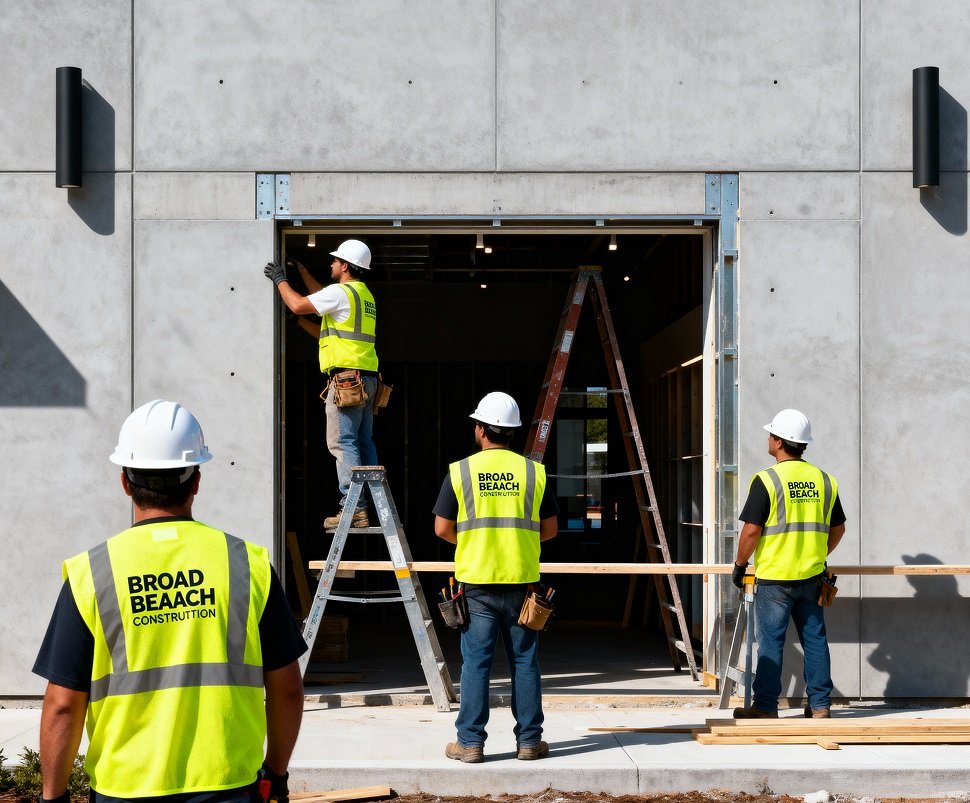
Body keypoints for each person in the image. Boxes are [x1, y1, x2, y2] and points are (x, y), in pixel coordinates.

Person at [34, 400, 307, 803]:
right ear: (196, 480)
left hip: (124, 790)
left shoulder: (92, 572)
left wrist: (51, 798)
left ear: (125, 481)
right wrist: (276, 775)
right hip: (228, 786)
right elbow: (286, 690)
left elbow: (62, 705)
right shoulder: (248, 565)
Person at [433, 392, 559, 763]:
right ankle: (529, 743)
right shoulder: (533, 471)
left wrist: (475, 542)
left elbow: (441, 528)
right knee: (525, 662)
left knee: (476, 663)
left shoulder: (462, 471)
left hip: (477, 584)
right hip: (522, 583)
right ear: (512, 432)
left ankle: (470, 743)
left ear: (480, 429)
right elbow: (549, 530)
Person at [731, 408, 846, 720]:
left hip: (775, 580)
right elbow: (838, 529)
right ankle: (820, 706)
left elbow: (751, 531)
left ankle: (766, 707)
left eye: (771, 435)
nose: (768, 439)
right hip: (812, 576)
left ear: (780, 442)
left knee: (770, 643)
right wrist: (818, 554)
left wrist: (740, 565)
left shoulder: (767, 480)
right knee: (816, 641)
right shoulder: (824, 480)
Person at [264, 239, 379, 528]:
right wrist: (302, 271)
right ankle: (370, 502)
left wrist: (281, 280)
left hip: (347, 382)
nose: (330, 263)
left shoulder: (341, 293)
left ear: (345, 266)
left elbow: (299, 303)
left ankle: (353, 507)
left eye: (335, 260)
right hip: (366, 379)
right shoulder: (362, 296)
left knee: (342, 442)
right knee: (362, 442)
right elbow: (322, 304)